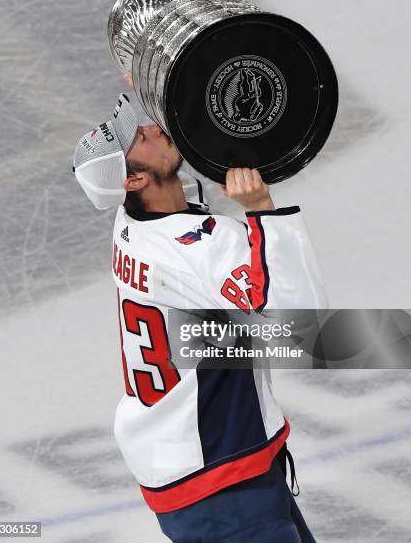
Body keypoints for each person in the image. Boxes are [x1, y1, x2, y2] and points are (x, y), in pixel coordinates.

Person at [73, 92, 326, 542]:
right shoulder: (195, 251)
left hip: (187, 464)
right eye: (139, 138)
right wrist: (261, 211)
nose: (153, 127)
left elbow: (180, 189)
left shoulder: (130, 222)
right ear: (133, 179)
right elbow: (301, 326)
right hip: (222, 477)